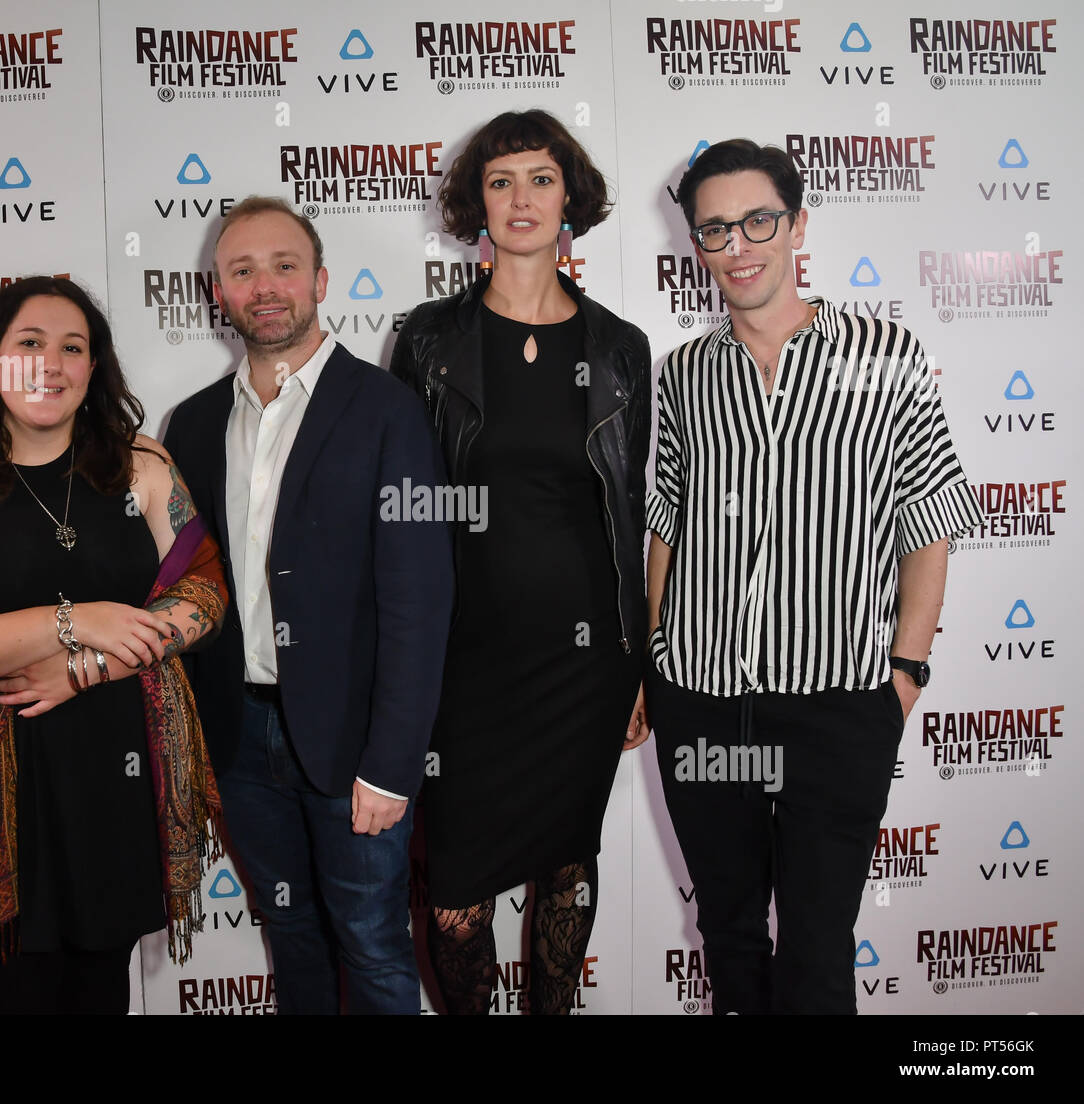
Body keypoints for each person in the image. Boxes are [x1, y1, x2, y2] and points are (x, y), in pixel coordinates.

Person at [647, 139, 983, 1014]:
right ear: (697, 245)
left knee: (818, 954)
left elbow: (930, 523)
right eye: (715, 229)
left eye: (758, 220)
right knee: (728, 941)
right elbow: (668, 522)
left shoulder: (886, 354)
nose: (738, 245)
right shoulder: (684, 375)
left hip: (838, 705)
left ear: (796, 225)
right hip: (705, 695)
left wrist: (904, 673)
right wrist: (656, 649)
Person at [0, 275, 227, 1014]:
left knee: (100, 993)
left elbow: (204, 595)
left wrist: (85, 664)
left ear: (93, 368)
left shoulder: (144, 464)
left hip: (121, 776)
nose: (52, 364)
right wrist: (75, 618)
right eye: (28, 343)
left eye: (73, 348)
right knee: (8, 997)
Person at [390, 109, 652, 1015]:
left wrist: (641, 662)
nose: (522, 198)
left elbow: (632, 512)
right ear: (477, 206)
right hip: (464, 656)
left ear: (569, 197)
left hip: (587, 660)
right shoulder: (428, 340)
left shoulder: (619, 348)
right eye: (501, 181)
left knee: (567, 868)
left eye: (541, 178)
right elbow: (402, 512)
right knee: (455, 886)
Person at [164, 196, 454, 1015]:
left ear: (321, 280)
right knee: (292, 938)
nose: (265, 286)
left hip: (355, 742)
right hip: (241, 739)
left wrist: (393, 763)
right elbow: (190, 589)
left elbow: (420, 598)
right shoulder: (191, 425)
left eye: (284, 265)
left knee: (371, 942)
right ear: (217, 292)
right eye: (242, 270)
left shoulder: (388, 411)